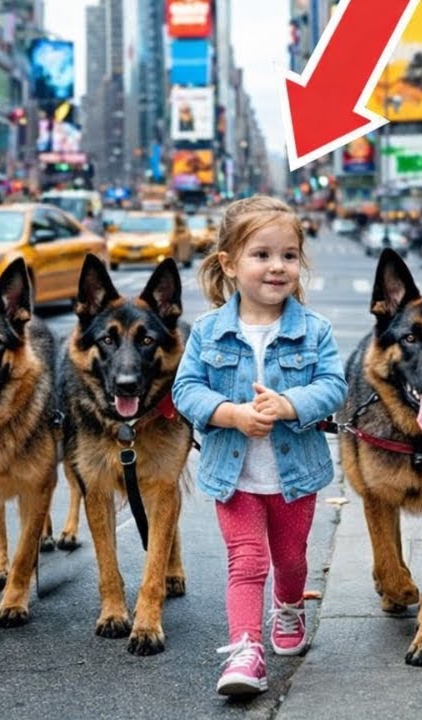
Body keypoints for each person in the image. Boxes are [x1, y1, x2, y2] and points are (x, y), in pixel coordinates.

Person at [172, 195, 347, 697]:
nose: (277, 267)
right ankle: (246, 649)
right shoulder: (207, 332)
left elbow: (334, 386)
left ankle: (289, 605)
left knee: (290, 560)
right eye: (262, 255)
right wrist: (232, 414)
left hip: (295, 479)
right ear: (229, 264)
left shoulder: (315, 330)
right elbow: (186, 390)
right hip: (235, 477)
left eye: (288, 256)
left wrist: (290, 405)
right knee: (247, 563)